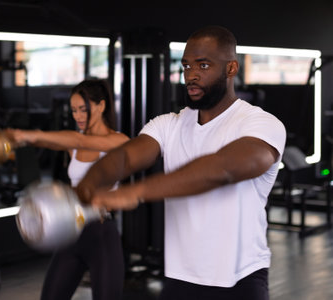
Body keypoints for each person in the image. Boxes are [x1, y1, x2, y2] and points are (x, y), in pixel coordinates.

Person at [76, 26, 286, 300]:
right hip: (179, 278)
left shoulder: (260, 124)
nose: (191, 75)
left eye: (203, 65)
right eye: (186, 66)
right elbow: (123, 157)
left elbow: (221, 170)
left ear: (231, 68)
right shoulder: (168, 125)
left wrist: (134, 192)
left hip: (239, 279)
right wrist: (87, 188)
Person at [4, 78, 129, 300]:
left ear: (101, 106)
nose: (78, 116)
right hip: (71, 233)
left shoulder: (119, 141)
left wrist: (29, 135)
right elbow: (58, 142)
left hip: (101, 233)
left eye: (83, 109)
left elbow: (80, 142)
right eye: (73, 110)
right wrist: (22, 140)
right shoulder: (73, 142)